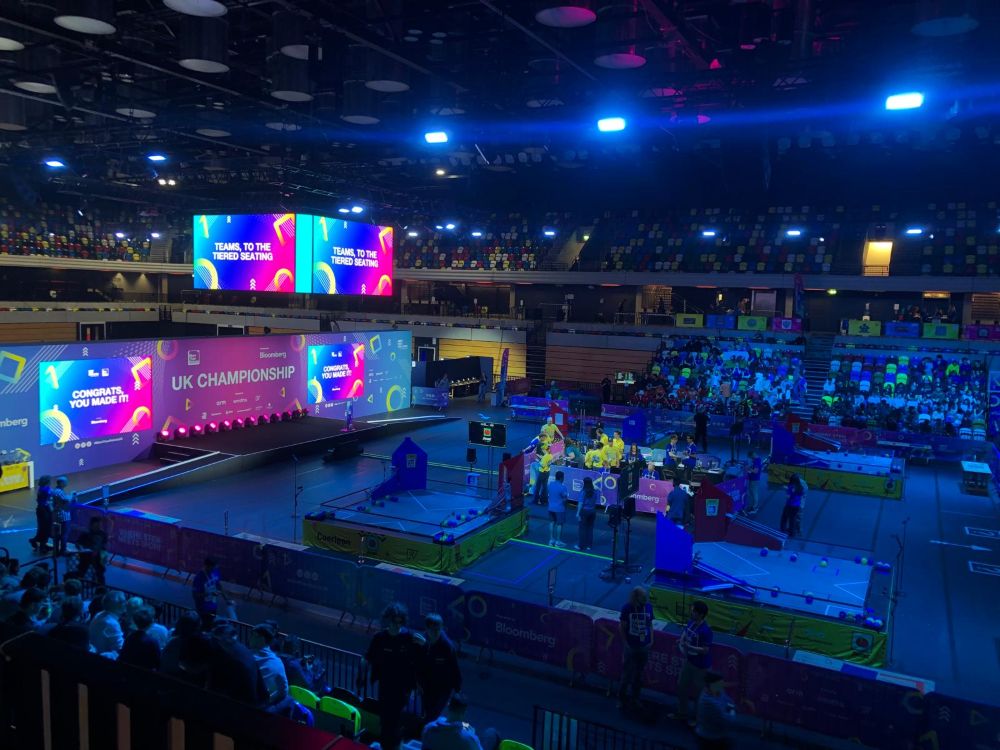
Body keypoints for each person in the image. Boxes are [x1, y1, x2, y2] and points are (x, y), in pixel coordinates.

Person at [362, 602, 425, 750]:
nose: (397, 625)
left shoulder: (409, 638)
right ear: (387, 620)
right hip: (385, 685)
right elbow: (369, 656)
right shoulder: (379, 638)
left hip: (402, 688)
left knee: (394, 719)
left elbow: (421, 659)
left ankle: (393, 745)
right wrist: (363, 665)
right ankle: (389, 744)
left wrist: (425, 646)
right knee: (385, 719)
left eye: (400, 622)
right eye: (394, 622)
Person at [670, 601, 714, 726]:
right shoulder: (691, 622)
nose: (691, 612)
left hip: (701, 667)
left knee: (699, 694)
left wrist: (689, 647)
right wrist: (681, 641)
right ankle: (682, 713)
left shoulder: (706, 631)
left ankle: (697, 719)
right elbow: (686, 633)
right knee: (681, 687)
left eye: (694, 611)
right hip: (689, 662)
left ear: (700, 614)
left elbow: (705, 650)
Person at [420, 613, 462, 723]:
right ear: (427, 629)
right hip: (427, 685)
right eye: (433, 630)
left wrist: (457, 690)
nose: (436, 633)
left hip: (443, 688)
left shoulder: (447, 647)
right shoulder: (421, 641)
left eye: (438, 629)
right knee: (427, 712)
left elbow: (455, 668)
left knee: (433, 715)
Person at [618, 586, 654, 710]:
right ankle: (622, 699)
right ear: (636, 597)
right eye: (643, 597)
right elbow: (622, 627)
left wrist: (651, 640)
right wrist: (625, 643)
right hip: (631, 647)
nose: (646, 598)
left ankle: (635, 698)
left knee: (639, 675)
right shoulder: (627, 608)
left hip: (644, 646)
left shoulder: (648, 607)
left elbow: (650, 625)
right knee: (626, 675)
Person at [421, 693, 499, 750]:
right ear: (465, 711)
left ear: (448, 705)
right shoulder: (469, 739)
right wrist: (472, 734)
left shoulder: (428, 729)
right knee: (491, 733)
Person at [250, 620, 293, 713]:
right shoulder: (277, 663)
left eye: (253, 635)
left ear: (262, 639)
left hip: (243, 702)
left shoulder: (246, 656)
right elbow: (284, 690)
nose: (250, 638)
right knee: (289, 699)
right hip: (262, 707)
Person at [695, 672, 736, 749]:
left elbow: (728, 701)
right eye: (720, 684)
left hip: (716, 735)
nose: (722, 686)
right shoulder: (708, 703)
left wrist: (729, 707)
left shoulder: (717, 691)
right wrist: (731, 709)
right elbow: (728, 720)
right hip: (710, 739)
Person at [192, 556, 234, 629]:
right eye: (212, 568)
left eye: (215, 567)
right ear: (206, 566)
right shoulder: (199, 578)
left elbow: (218, 585)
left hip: (213, 606)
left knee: (212, 624)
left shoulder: (215, 572)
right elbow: (195, 595)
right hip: (202, 608)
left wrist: (226, 599)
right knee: (205, 626)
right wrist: (209, 594)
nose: (214, 569)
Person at [119, 605, 162, 670]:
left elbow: (123, 656)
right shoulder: (152, 642)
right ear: (152, 622)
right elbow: (158, 662)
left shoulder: (129, 637)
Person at [89, 590, 126, 657]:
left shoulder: (99, 614)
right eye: (124, 601)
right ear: (118, 605)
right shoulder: (112, 623)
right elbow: (120, 648)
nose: (126, 603)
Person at [75, 516, 109, 584]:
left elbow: (104, 545)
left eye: (100, 525)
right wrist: (81, 549)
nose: (99, 527)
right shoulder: (86, 533)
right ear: (91, 525)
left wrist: (101, 552)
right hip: (86, 555)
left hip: (98, 556)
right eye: (97, 526)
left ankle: (100, 587)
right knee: (81, 570)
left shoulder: (103, 534)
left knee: (100, 573)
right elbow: (78, 543)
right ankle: (77, 584)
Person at [29, 475, 53, 553]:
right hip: (44, 510)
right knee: (46, 528)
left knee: (42, 528)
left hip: (40, 510)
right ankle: (42, 546)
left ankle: (37, 541)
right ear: (47, 481)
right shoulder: (46, 489)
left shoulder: (41, 488)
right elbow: (50, 497)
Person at [51, 476, 73, 555]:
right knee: (64, 534)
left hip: (57, 516)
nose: (67, 483)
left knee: (57, 535)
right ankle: (63, 551)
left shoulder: (56, 491)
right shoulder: (59, 492)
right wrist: (72, 495)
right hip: (63, 516)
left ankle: (56, 550)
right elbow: (67, 500)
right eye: (65, 482)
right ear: (61, 483)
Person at [547, 470, 569, 547]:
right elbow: (565, 498)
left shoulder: (550, 484)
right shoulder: (563, 487)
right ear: (561, 478)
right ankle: (558, 541)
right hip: (559, 508)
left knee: (551, 522)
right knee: (559, 524)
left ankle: (551, 540)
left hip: (550, 507)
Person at [780, 473, 807, 538]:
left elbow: (788, 496)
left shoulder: (791, 486)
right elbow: (801, 494)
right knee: (793, 519)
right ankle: (792, 533)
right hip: (797, 505)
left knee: (784, 517)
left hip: (790, 504)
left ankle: (783, 529)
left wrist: (787, 490)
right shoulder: (801, 487)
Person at [575, 476, 598, 551]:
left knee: (582, 529)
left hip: (584, 512)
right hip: (592, 511)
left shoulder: (583, 492)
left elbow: (581, 503)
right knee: (590, 529)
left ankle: (580, 545)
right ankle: (589, 546)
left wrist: (578, 513)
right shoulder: (595, 492)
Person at [745, 450, 763, 515]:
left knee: (754, 493)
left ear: (752, 455)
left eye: (751, 457)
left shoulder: (756, 461)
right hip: (753, 479)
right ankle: (753, 505)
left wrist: (748, 468)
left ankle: (754, 508)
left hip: (754, 479)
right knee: (752, 492)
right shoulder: (757, 459)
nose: (751, 458)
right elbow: (753, 468)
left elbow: (755, 471)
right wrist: (750, 467)